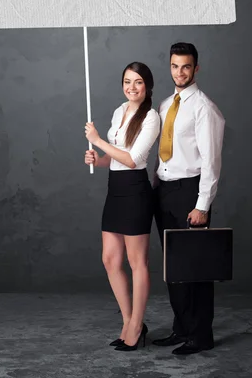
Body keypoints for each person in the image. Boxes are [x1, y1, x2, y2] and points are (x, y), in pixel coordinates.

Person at [153, 42, 225, 356]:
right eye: (174, 66)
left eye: (186, 66)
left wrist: (202, 204)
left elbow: (211, 161)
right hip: (164, 190)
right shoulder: (166, 104)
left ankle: (201, 335)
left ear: (196, 68)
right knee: (174, 268)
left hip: (190, 192)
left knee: (195, 267)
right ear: (169, 67)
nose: (180, 72)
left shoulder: (204, 108)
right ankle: (181, 329)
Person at [84, 61, 160, 351]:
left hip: (136, 192)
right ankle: (128, 321)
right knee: (110, 260)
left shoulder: (151, 117)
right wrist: (97, 158)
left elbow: (133, 160)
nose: (132, 87)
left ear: (147, 86)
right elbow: (115, 160)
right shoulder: (119, 111)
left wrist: (98, 140)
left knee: (136, 262)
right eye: (127, 81)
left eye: (138, 82)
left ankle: (137, 325)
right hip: (114, 191)